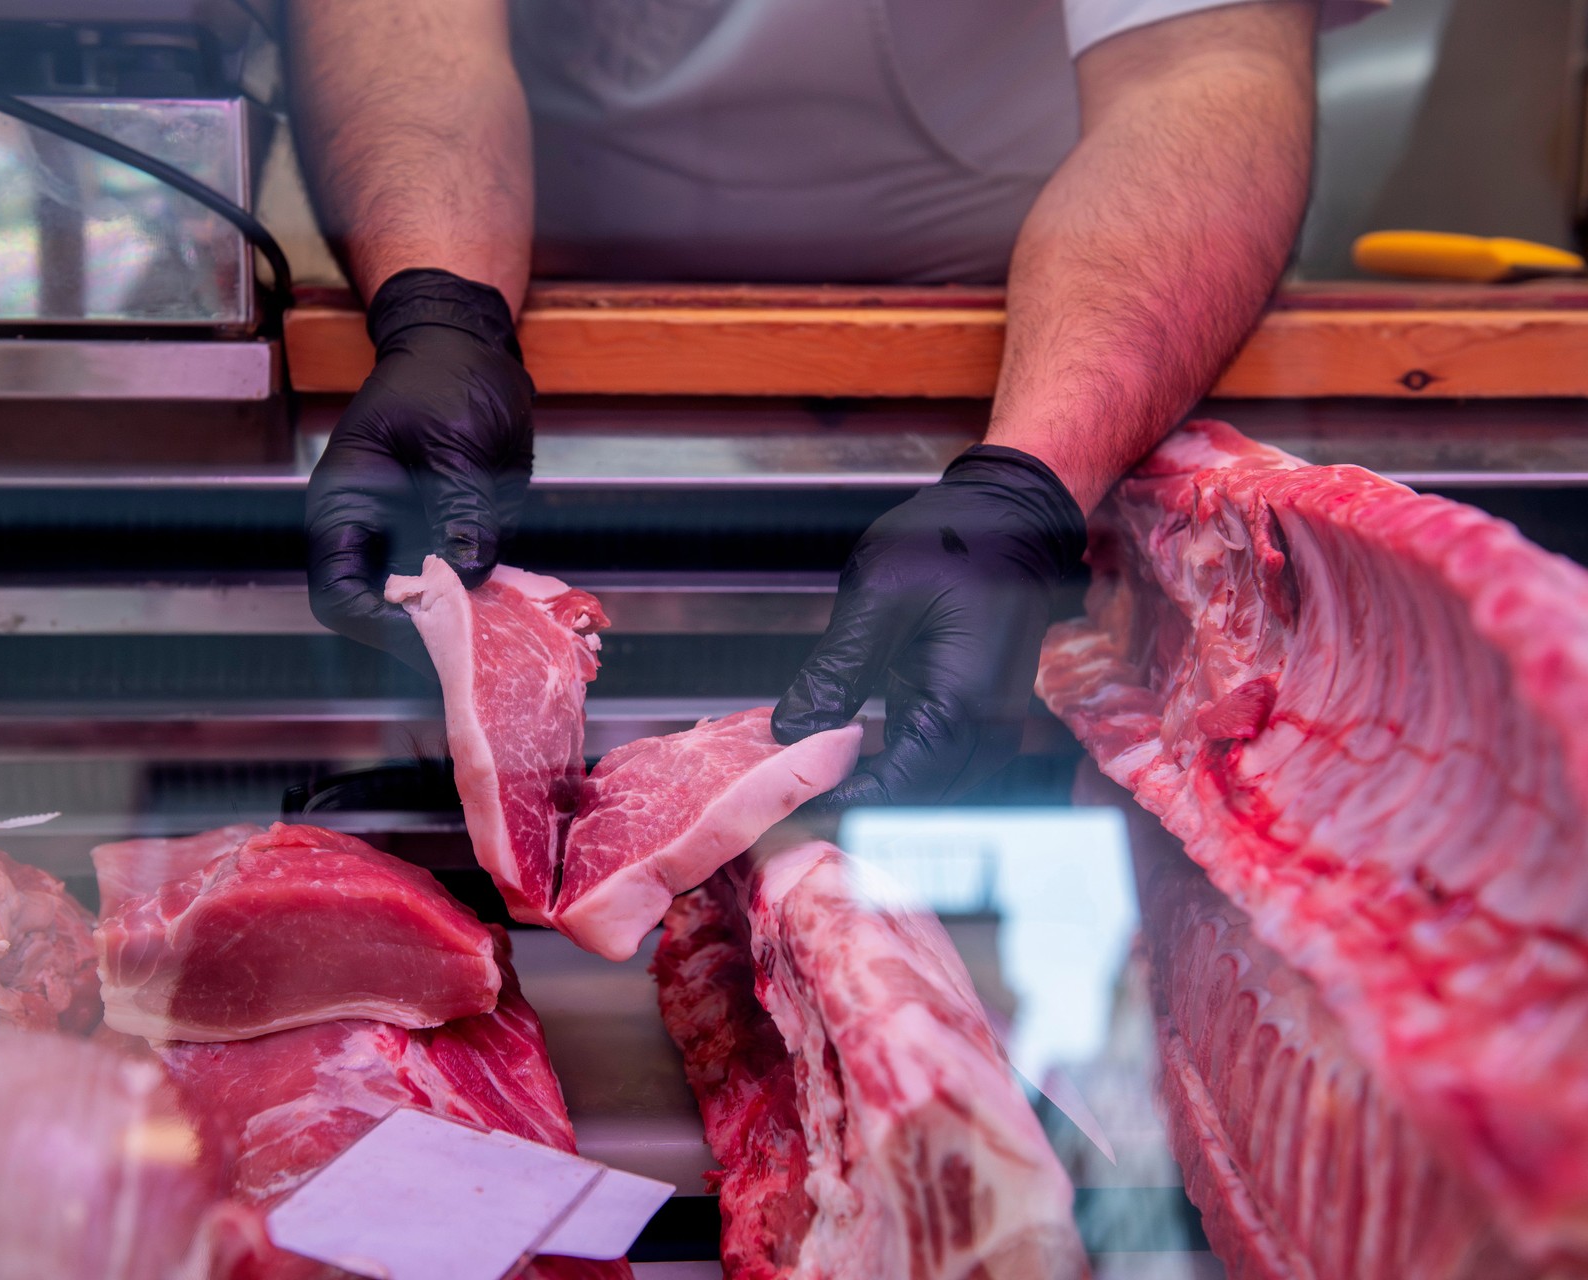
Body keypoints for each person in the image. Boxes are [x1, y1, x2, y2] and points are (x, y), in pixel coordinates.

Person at [292, 0, 1381, 806]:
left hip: (1054, 337)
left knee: (970, 823)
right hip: (511, 320)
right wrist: (440, 307)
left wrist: (1028, 482)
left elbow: (1200, 68)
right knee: (473, 827)